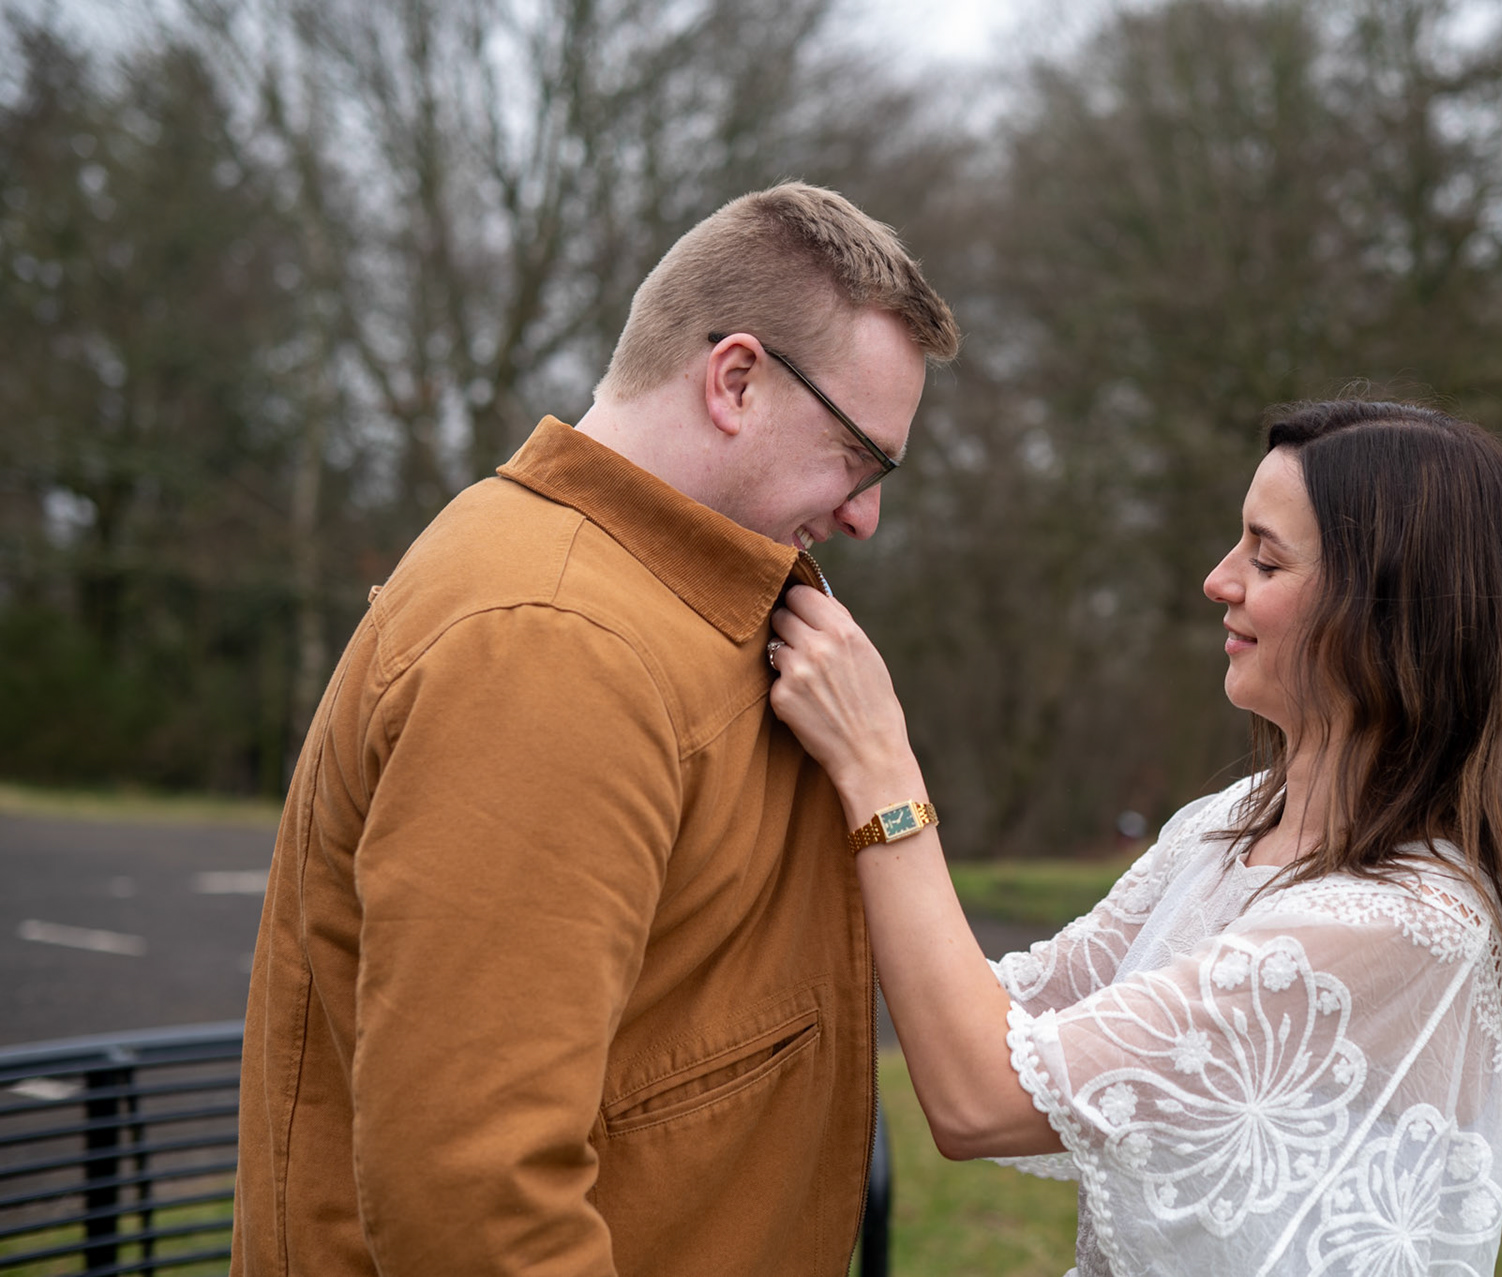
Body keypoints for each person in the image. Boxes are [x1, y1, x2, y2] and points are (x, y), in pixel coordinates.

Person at [232, 183, 960, 1277]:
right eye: (859, 456)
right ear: (736, 379)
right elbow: (477, 1201)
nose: (864, 514)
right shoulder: (553, 640)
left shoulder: (650, 602)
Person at [766, 400, 1502, 1277]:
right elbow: (1006, 1013)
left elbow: (981, 1096)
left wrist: (881, 767)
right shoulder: (1231, 821)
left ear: (1387, 612)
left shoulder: (1406, 924)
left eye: (1266, 558)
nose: (1218, 579)